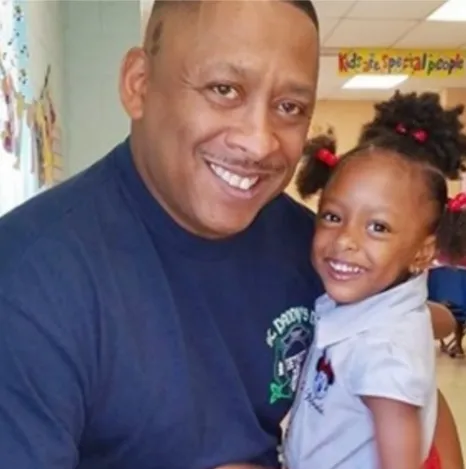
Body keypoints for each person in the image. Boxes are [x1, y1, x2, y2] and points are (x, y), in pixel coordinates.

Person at [0, 1, 460, 468]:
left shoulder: (313, 248)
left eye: (289, 107)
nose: (259, 142)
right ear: (139, 84)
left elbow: (405, 381)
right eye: (224, 89)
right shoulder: (29, 280)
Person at [284, 90, 466, 469]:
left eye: (378, 227)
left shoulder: (385, 354)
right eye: (333, 217)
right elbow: (439, 318)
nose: (345, 240)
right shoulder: (371, 304)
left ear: (422, 252)